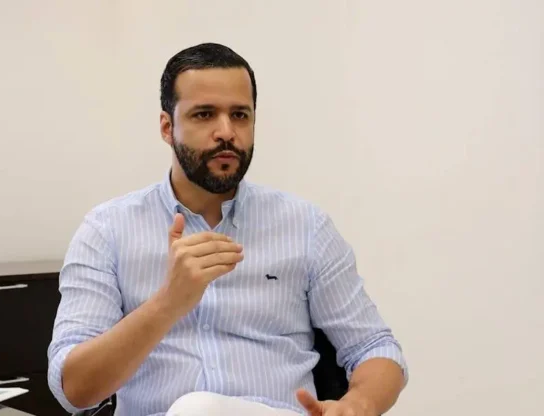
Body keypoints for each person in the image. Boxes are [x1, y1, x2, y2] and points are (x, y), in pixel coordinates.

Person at [47, 42, 408, 416]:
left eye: (240, 115)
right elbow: (73, 391)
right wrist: (168, 303)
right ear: (167, 127)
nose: (226, 132)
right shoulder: (106, 231)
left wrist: (357, 405)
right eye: (204, 115)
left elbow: (376, 348)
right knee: (195, 409)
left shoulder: (306, 227)